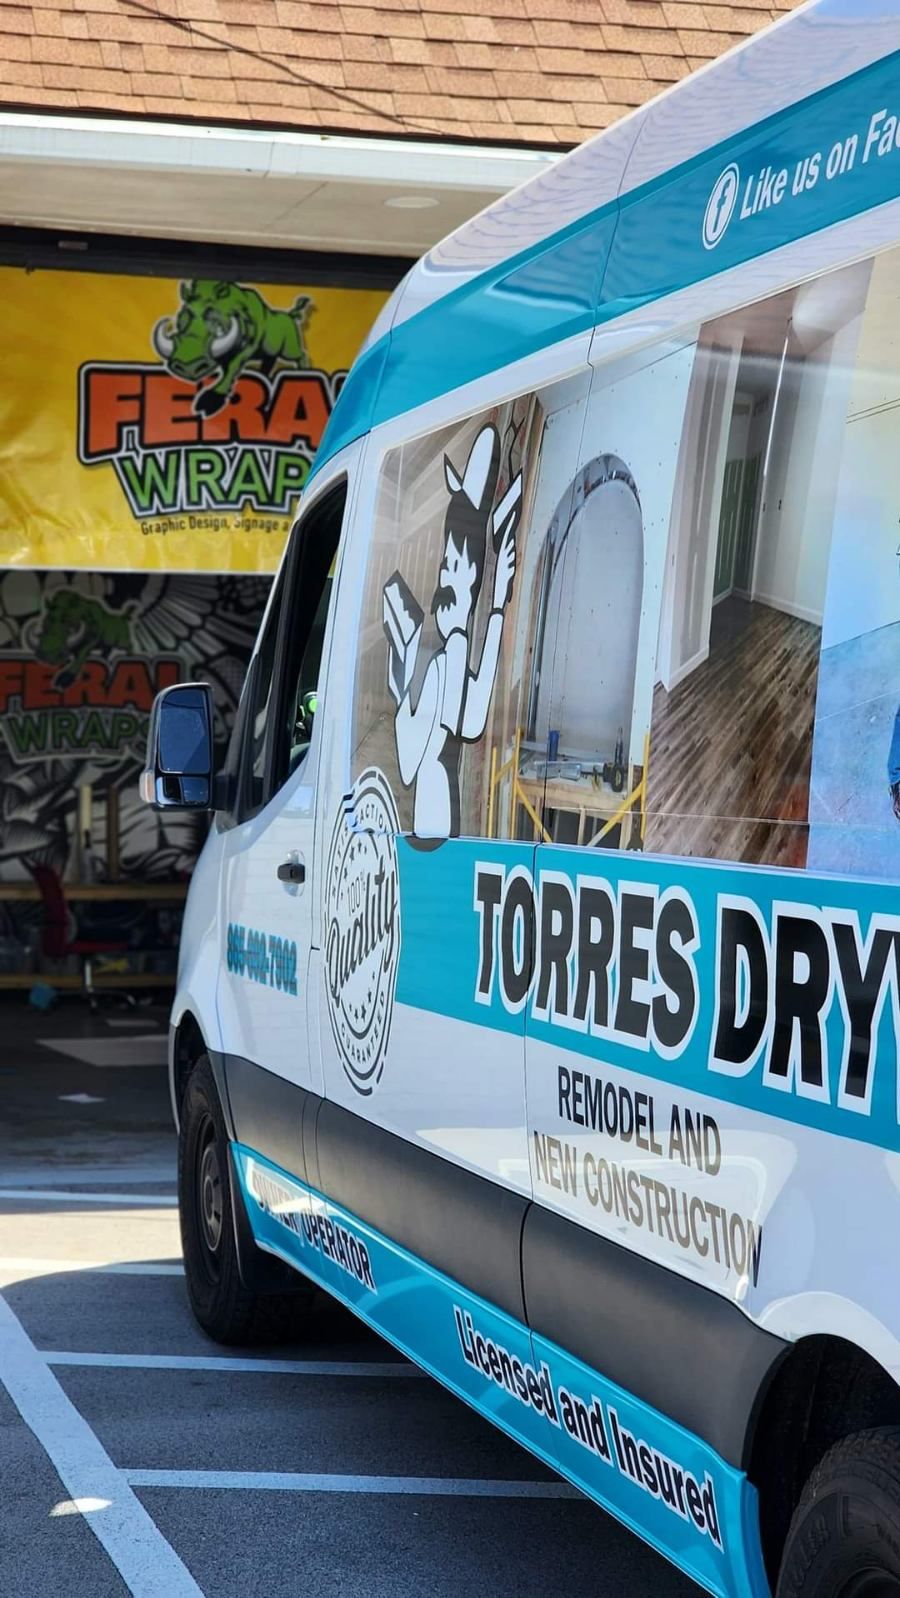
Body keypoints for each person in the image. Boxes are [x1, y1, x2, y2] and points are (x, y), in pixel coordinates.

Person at [385, 423, 523, 839]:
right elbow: (470, 714)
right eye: (446, 564)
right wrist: (495, 601)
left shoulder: (443, 662)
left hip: (435, 829)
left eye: (455, 566)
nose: (445, 573)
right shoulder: (443, 660)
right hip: (438, 827)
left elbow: (415, 753)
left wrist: (406, 660)